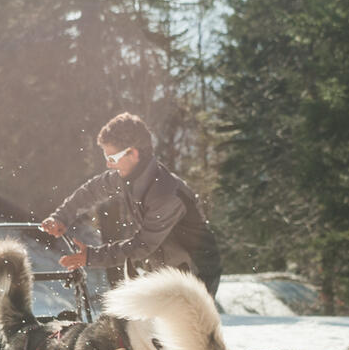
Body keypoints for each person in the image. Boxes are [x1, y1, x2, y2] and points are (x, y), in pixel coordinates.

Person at [41, 112, 222, 297]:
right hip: (163, 269)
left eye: (112, 158)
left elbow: (142, 245)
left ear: (133, 153)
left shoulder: (165, 195)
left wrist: (91, 257)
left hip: (194, 275)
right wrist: (61, 217)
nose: (109, 165)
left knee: (180, 325)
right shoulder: (127, 177)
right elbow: (91, 191)